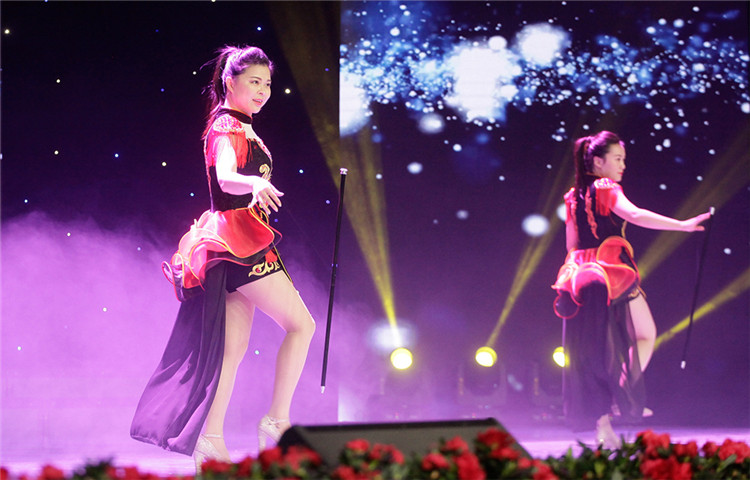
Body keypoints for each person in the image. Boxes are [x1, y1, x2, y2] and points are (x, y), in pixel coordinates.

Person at [130, 45, 316, 471]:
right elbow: (226, 178)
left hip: (235, 241)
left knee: (231, 350)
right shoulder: (227, 125)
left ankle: (210, 439)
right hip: (238, 239)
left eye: (267, 84)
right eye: (254, 82)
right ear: (230, 82)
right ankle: (277, 421)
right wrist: (254, 184)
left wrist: (254, 187)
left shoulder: (241, 125)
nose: (263, 91)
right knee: (302, 325)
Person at [551, 130, 709, 447]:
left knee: (594, 351)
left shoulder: (572, 196)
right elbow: (634, 214)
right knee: (645, 334)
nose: (623, 165)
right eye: (618, 159)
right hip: (609, 273)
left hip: (579, 275)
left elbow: (571, 244)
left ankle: (604, 423)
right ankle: (619, 393)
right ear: (598, 162)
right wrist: (681, 225)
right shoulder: (606, 187)